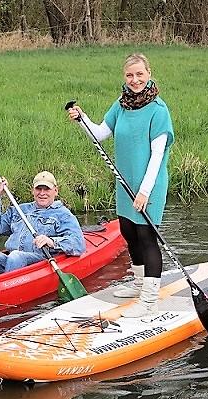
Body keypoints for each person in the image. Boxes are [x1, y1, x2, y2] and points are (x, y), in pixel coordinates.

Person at [67, 52, 174, 318]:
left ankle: (149, 302)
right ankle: (139, 285)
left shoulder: (159, 110)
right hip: (124, 184)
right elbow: (101, 132)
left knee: (147, 238)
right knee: (128, 232)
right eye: (130, 75)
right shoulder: (121, 104)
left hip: (148, 185)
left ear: (149, 73)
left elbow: (158, 156)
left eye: (139, 74)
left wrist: (145, 192)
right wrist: (82, 119)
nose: (135, 80)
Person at [0, 170, 86, 280]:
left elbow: (78, 244)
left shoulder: (63, 215)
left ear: (55, 191)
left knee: (16, 256)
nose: (42, 193)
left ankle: (7, 292)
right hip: (11, 260)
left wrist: (51, 241)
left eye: (47, 189)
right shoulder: (19, 209)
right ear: (32, 190)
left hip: (39, 263)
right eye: (38, 189)